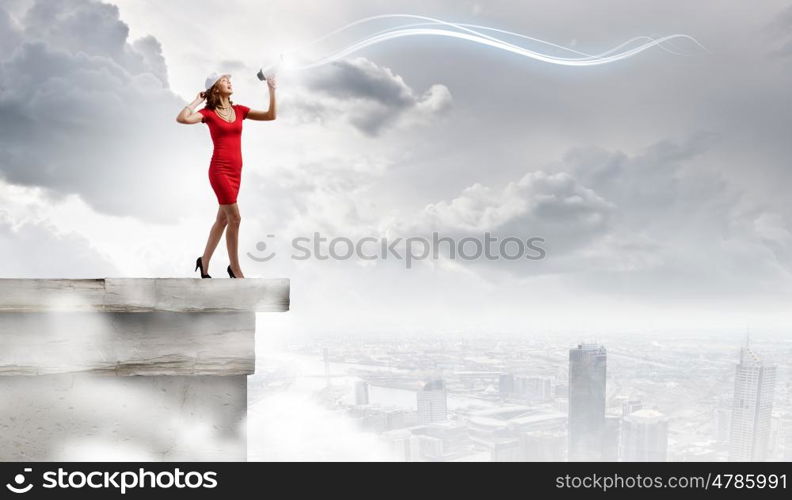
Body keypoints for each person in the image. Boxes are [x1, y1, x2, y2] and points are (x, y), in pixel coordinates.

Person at [176, 71, 277, 278]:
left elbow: (270, 115)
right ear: (215, 88)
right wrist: (198, 99)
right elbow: (182, 118)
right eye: (224, 80)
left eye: (229, 80)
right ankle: (235, 268)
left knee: (222, 220)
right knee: (236, 218)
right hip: (220, 171)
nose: (229, 82)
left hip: (236, 172)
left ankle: (203, 261)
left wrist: (272, 89)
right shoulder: (209, 114)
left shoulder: (239, 110)